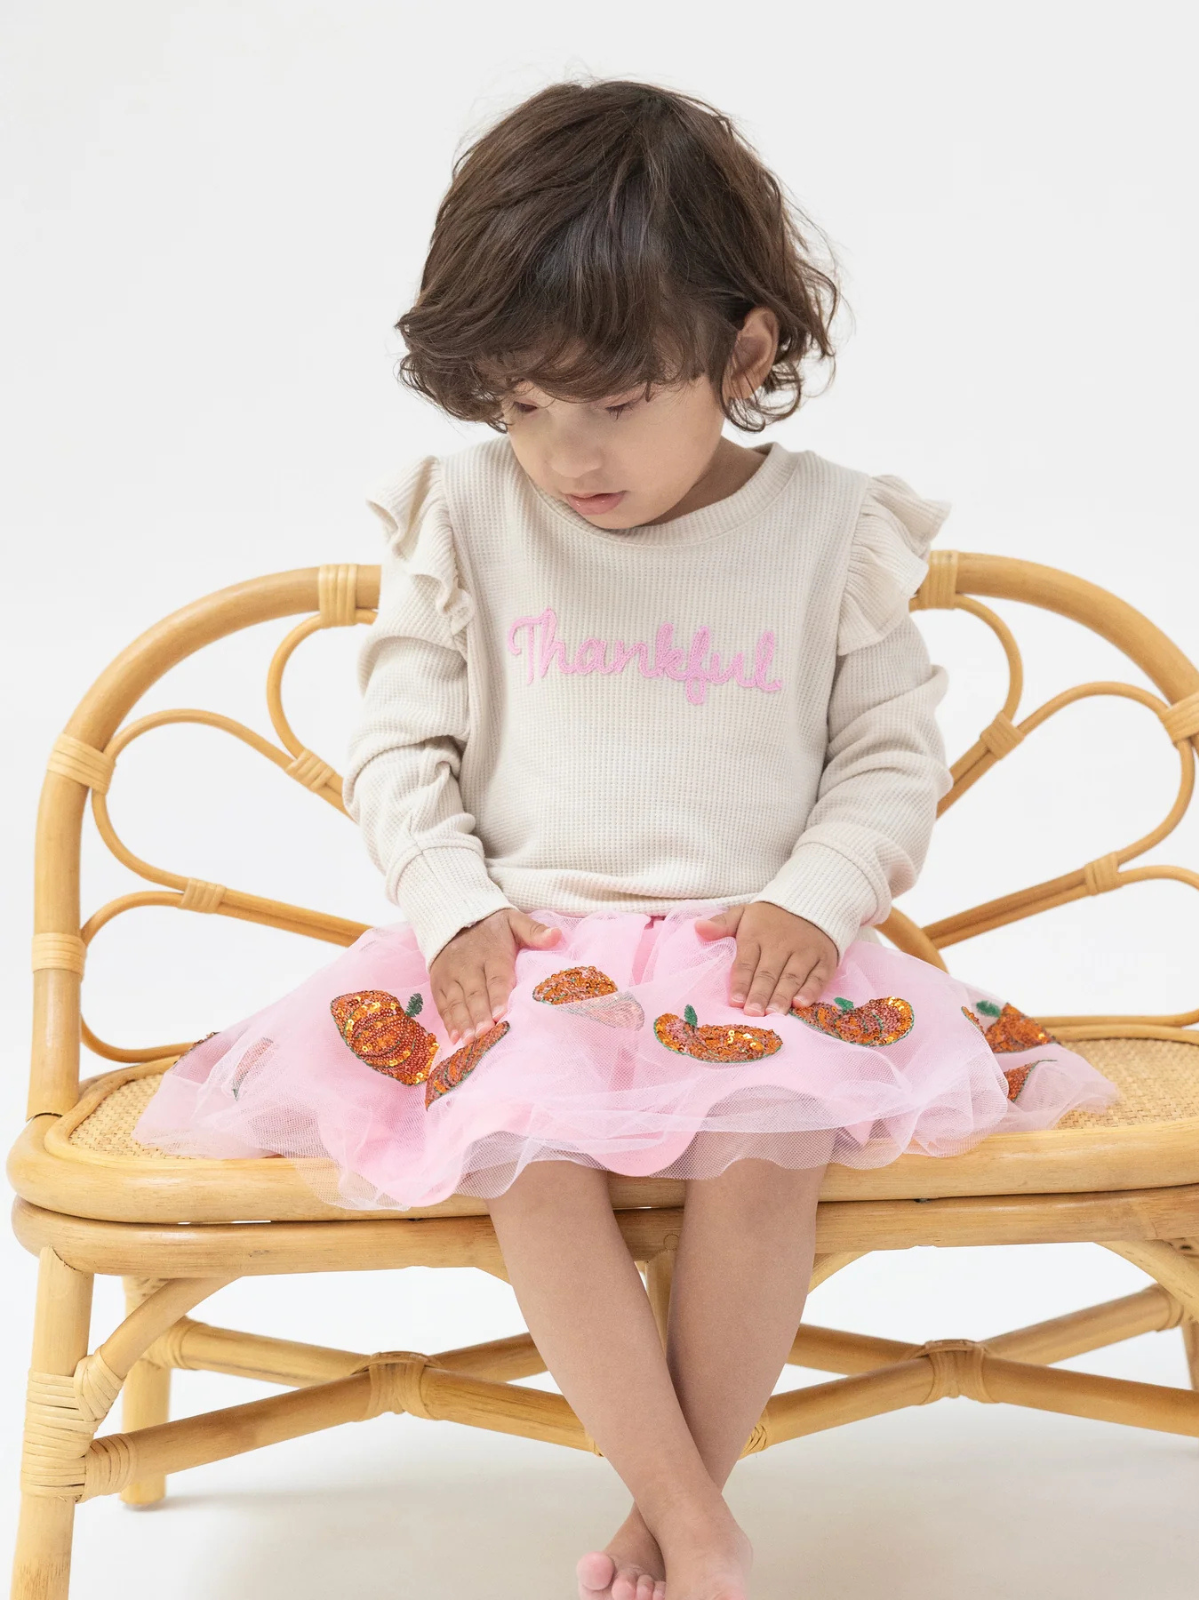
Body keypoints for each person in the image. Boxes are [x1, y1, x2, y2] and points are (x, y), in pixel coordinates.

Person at [135, 77, 1120, 1600]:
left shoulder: (824, 528)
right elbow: (399, 746)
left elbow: (884, 756)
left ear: (743, 350)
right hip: (521, 955)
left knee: (765, 1140)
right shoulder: (464, 517)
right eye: (523, 407)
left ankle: (668, 1522)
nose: (566, 455)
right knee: (524, 1150)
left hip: (755, 949)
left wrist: (820, 889)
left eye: (614, 401)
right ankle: (698, 1524)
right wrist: (454, 906)